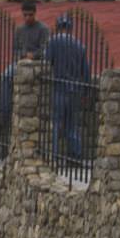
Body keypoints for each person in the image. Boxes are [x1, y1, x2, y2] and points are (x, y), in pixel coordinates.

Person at [44, 14, 90, 160]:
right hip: (75, 89)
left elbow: (45, 64)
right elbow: (86, 72)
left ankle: (53, 156)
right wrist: (85, 93)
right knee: (71, 125)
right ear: (71, 28)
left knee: (56, 124)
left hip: (58, 87)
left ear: (58, 27)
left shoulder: (53, 41)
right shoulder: (80, 46)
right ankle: (76, 156)